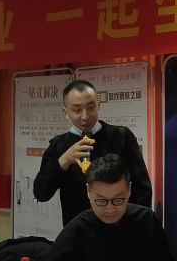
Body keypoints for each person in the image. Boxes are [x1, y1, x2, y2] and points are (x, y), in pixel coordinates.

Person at [35, 154, 174, 261]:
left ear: (129, 190)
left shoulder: (146, 219)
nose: (109, 209)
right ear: (88, 191)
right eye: (101, 201)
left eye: (118, 200)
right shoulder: (77, 229)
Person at [33, 79, 153, 225]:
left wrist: (129, 224)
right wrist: (64, 160)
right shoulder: (58, 145)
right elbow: (41, 193)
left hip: (121, 229)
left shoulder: (121, 136)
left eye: (91, 108)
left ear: (98, 106)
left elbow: (143, 189)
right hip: (78, 231)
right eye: (77, 110)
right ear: (65, 113)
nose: (85, 116)